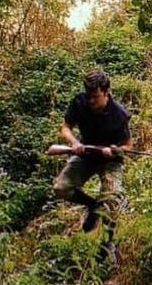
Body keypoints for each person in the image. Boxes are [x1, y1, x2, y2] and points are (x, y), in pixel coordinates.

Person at [53, 69, 132, 244]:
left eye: (95, 97)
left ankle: (107, 244)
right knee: (61, 188)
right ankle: (92, 205)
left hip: (110, 161)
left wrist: (114, 150)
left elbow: (128, 146)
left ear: (106, 92)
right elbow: (65, 128)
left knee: (110, 200)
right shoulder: (80, 102)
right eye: (88, 96)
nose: (90, 101)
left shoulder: (119, 114)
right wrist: (74, 143)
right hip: (86, 155)